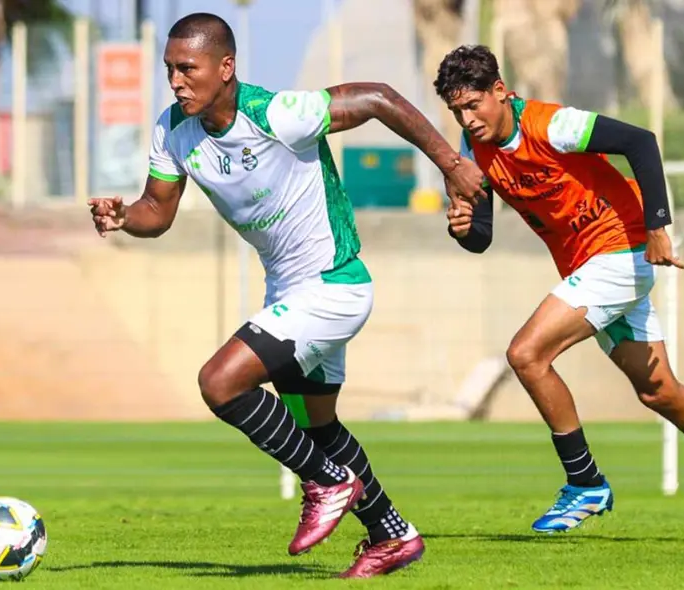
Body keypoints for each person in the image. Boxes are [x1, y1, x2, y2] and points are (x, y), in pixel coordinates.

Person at [89, 12, 485, 577]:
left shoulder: (275, 114)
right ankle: (391, 534)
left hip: (334, 286)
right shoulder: (172, 130)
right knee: (317, 425)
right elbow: (158, 211)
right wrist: (125, 215)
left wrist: (451, 162)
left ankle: (326, 480)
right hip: (290, 290)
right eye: (169, 69)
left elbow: (377, 96)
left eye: (187, 68)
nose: (176, 81)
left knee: (220, 382)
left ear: (226, 67)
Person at [434, 44, 684, 533]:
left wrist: (659, 225)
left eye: (473, 105)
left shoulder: (552, 125)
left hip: (622, 251)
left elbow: (641, 142)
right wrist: (464, 227)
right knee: (660, 392)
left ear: (499, 91)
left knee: (527, 354)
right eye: (456, 110)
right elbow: (482, 238)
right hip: (593, 264)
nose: (466, 119)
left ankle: (585, 483)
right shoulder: (474, 156)